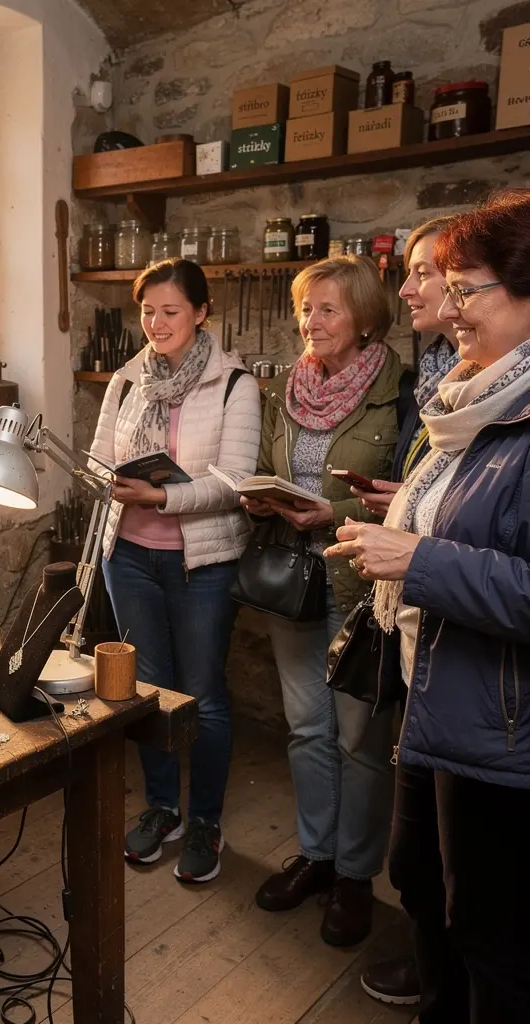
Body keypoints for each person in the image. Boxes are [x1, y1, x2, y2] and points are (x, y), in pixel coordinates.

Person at [329, 191, 530, 1022]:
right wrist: (400, 531)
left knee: (495, 938)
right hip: (442, 690)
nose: (451, 306)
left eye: (467, 286)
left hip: (503, 727)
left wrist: (420, 558)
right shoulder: (475, 401)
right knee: (438, 894)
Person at [242, 256, 404, 947]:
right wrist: (260, 497)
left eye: (329, 309)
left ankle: (355, 879)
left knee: (361, 740)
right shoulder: (288, 387)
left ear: (364, 318)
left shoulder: (403, 393)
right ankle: (317, 855)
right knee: (307, 729)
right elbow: (276, 469)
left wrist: (326, 511)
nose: (312, 322)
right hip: (295, 582)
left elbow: (408, 490)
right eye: (307, 308)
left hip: (361, 584)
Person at [90, 258, 261, 883]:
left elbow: (235, 482)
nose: (155, 324)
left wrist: (162, 496)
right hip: (128, 556)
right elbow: (101, 455)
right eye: (147, 312)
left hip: (203, 562)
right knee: (148, 691)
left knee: (205, 695)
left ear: (200, 313)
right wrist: (110, 479)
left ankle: (207, 820)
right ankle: (164, 809)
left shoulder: (234, 384)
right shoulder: (127, 379)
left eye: (169, 311)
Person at [353, 218, 458, 1007]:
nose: (410, 288)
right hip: (429, 653)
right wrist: (405, 503)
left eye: (428, 273)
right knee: (422, 861)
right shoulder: (445, 380)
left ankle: (446, 985)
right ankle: (436, 977)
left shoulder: (496, 405)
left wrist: (415, 551)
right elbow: (446, 494)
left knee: (466, 880)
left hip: (473, 678)